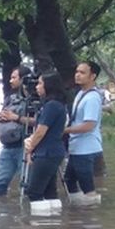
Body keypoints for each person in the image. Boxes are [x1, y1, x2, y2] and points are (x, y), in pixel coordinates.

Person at [22, 72, 68, 215]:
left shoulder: (51, 106)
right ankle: (53, 223)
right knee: (49, 191)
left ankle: (40, 227)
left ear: (49, 86)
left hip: (47, 153)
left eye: (40, 83)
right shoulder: (55, 105)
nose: (37, 87)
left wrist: (30, 147)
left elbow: (41, 131)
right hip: (52, 152)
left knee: (34, 192)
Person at [62, 60, 104, 206]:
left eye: (82, 72)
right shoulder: (80, 93)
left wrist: (64, 130)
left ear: (92, 76)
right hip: (77, 147)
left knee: (87, 187)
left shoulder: (92, 97)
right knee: (69, 181)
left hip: (86, 148)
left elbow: (89, 125)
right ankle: (78, 213)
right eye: (77, 72)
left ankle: (92, 218)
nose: (77, 75)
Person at [0, 66, 34, 196]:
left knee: (27, 183)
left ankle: (27, 211)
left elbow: (41, 121)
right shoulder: (10, 98)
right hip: (8, 146)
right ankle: (3, 209)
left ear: (23, 79)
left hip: (25, 146)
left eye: (14, 77)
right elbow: (5, 114)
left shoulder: (33, 100)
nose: (10, 81)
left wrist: (16, 118)